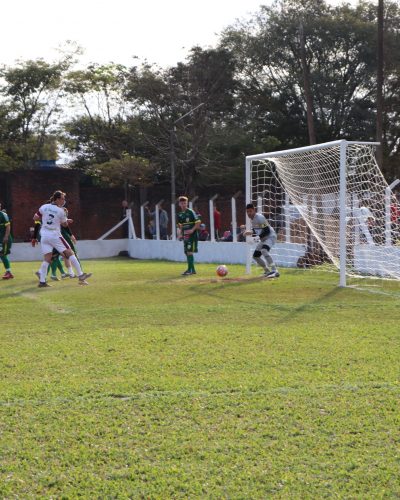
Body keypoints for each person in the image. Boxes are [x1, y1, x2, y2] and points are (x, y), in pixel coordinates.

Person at [34, 190, 92, 287]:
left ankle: (42, 282)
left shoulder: (44, 207)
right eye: (62, 199)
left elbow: (35, 218)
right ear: (57, 199)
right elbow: (64, 224)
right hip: (55, 235)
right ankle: (81, 275)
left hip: (44, 235)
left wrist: (46, 218)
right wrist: (66, 221)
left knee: (47, 258)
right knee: (70, 253)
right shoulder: (61, 211)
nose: (64, 201)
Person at [244, 203, 279, 278]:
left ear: (254, 210)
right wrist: (250, 232)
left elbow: (267, 231)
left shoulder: (260, 217)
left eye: (250, 211)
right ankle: (267, 271)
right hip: (264, 238)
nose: (249, 213)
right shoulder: (252, 220)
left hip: (270, 236)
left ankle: (275, 271)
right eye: (247, 212)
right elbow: (257, 230)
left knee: (264, 251)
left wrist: (256, 238)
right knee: (256, 256)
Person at [177, 196, 201, 275]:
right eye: (182, 203)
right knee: (187, 252)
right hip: (185, 236)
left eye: (185, 203)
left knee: (189, 252)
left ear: (187, 203)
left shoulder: (190, 212)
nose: (183, 204)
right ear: (179, 204)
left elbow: (198, 222)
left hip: (192, 236)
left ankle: (190, 270)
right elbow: (180, 226)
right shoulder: (180, 214)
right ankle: (192, 270)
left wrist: (192, 230)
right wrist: (180, 234)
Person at [0, 203, 13, 279]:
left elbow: (8, 226)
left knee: (2, 254)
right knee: (2, 255)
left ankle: (8, 272)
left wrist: (6, 236)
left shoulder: (3, 215)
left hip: (5, 239)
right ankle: (9, 272)